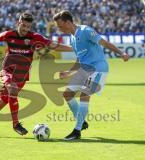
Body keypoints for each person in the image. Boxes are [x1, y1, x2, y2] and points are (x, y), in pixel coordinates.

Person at [0, 13, 73, 137]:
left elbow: (54, 46)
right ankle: (16, 124)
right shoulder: (9, 34)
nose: (25, 29)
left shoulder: (35, 37)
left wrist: (74, 48)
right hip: (8, 71)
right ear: (18, 23)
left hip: (22, 77)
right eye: (23, 25)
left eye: (28, 27)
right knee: (12, 88)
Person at [53, 10, 130, 140]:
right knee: (67, 94)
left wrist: (121, 53)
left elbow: (104, 43)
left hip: (98, 68)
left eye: (60, 26)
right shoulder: (72, 38)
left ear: (68, 22)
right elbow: (80, 59)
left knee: (84, 93)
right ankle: (82, 122)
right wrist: (69, 72)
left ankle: (77, 131)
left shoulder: (86, 31)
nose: (59, 29)